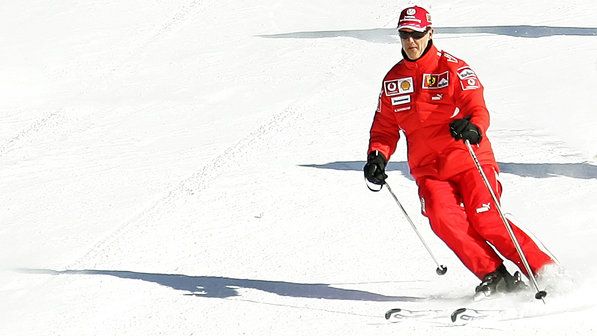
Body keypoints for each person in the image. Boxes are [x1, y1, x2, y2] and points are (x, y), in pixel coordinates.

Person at [363, 5, 554, 297]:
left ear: (430, 33)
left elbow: (476, 106)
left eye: (416, 34)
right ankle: (496, 276)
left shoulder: (452, 68)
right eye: (404, 35)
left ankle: (543, 269)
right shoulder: (393, 81)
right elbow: (384, 129)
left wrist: (473, 127)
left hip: (468, 159)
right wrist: (377, 156)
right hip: (428, 169)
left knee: (486, 218)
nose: (410, 41)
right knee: (442, 217)